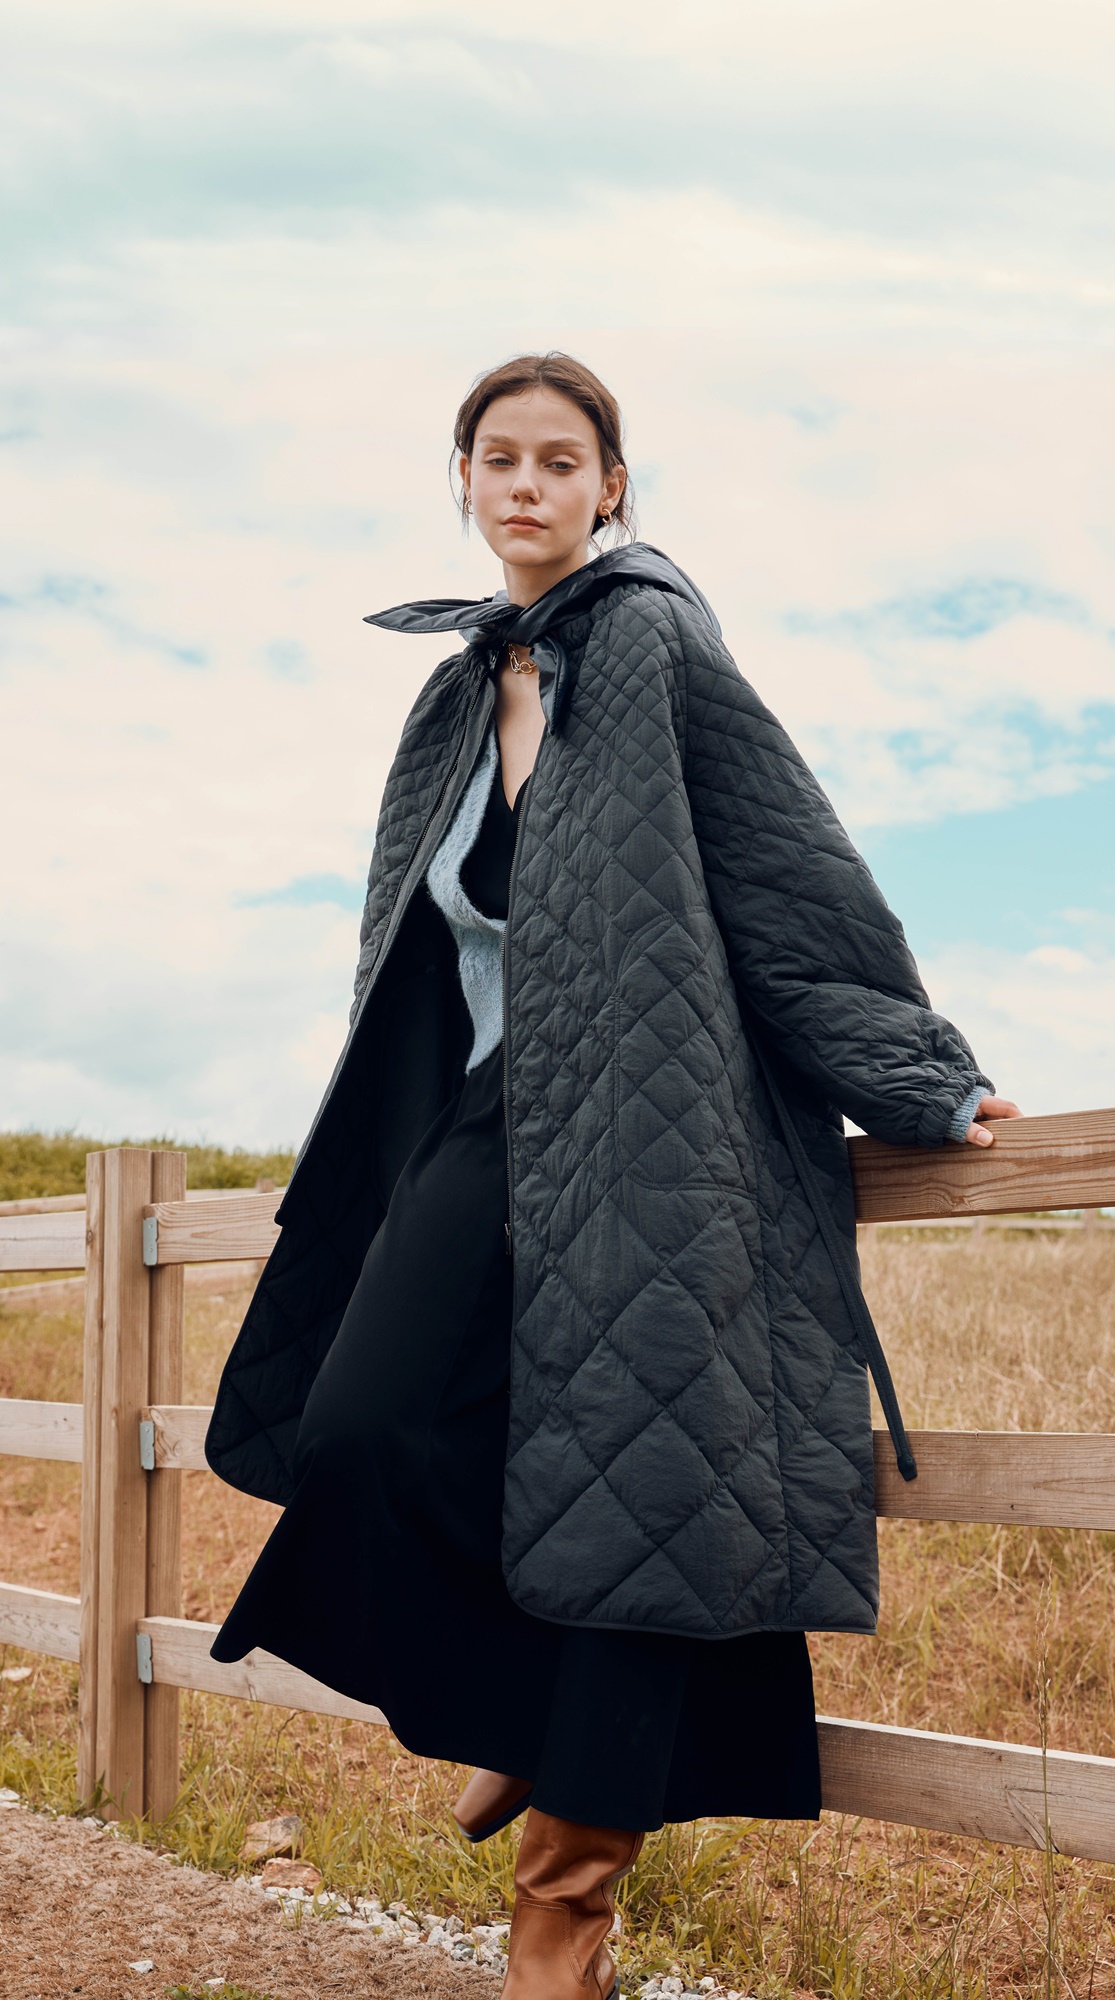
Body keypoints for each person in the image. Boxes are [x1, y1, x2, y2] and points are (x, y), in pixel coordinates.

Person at [206, 352, 1020, 2000]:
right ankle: (527, 1704)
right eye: (499, 458)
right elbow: (411, 954)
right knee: (360, 1427)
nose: (528, 484)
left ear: (610, 487)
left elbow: (784, 865)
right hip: (485, 1117)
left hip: (658, 1132)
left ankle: (563, 1917)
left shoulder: (651, 642)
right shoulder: (454, 695)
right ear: (463, 480)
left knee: (645, 1484)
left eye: (560, 460)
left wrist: (920, 1072)